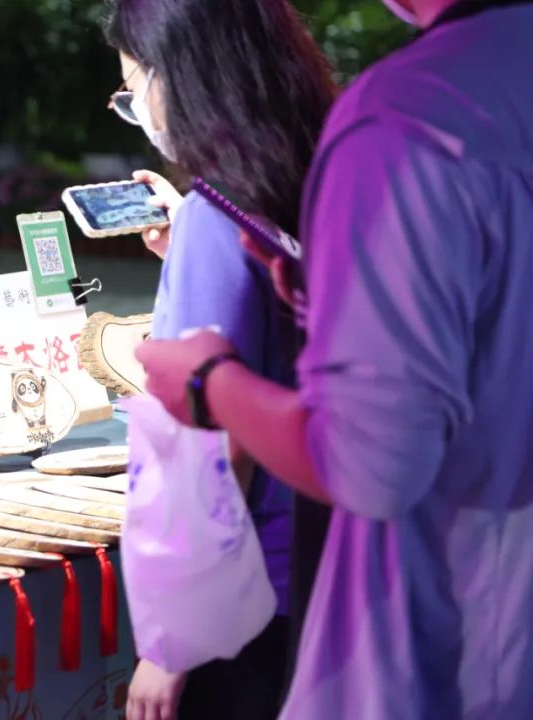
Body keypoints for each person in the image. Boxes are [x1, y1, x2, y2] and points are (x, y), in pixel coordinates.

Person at [135, 0, 533, 716]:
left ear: (179, 76)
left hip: (436, 625)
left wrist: (207, 384)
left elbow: (369, 462)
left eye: (132, 87)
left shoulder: (406, 115)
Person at [103, 0, 337, 717]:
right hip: (331, 561)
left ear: (183, 78)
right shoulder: (319, 178)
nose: (139, 112)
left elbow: (213, 444)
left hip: (253, 593)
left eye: (133, 89)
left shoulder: (216, 218)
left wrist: (170, 645)